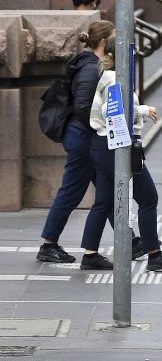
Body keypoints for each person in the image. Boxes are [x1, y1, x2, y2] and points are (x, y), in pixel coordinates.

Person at [81, 27, 162, 271]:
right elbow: (111, 112)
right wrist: (142, 111)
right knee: (148, 198)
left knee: (104, 202)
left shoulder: (108, 75)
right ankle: (154, 253)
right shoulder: (116, 78)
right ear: (125, 55)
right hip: (116, 145)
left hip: (102, 145)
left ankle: (90, 254)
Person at [37, 21, 122, 264]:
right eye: (115, 37)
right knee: (72, 192)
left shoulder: (92, 65)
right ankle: (48, 245)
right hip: (83, 138)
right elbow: (84, 107)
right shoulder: (89, 69)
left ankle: (131, 240)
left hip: (87, 136)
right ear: (104, 42)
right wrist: (102, 125)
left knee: (108, 191)